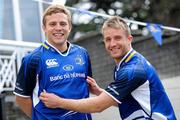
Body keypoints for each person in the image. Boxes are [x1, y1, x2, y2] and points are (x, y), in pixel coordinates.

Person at [40, 16, 177, 120]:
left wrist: (58, 102)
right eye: (108, 39)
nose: (112, 44)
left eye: (117, 38)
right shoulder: (123, 64)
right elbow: (130, 103)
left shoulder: (133, 70)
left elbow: (98, 107)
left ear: (129, 39)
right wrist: (100, 92)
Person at [13, 4, 93, 120]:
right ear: (44, 28)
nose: (58, 28)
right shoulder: (32, 59)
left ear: (69, 27)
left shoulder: (82, 53)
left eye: (63, 24)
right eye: (52, 24)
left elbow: (86, 87)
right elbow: (21, 98)